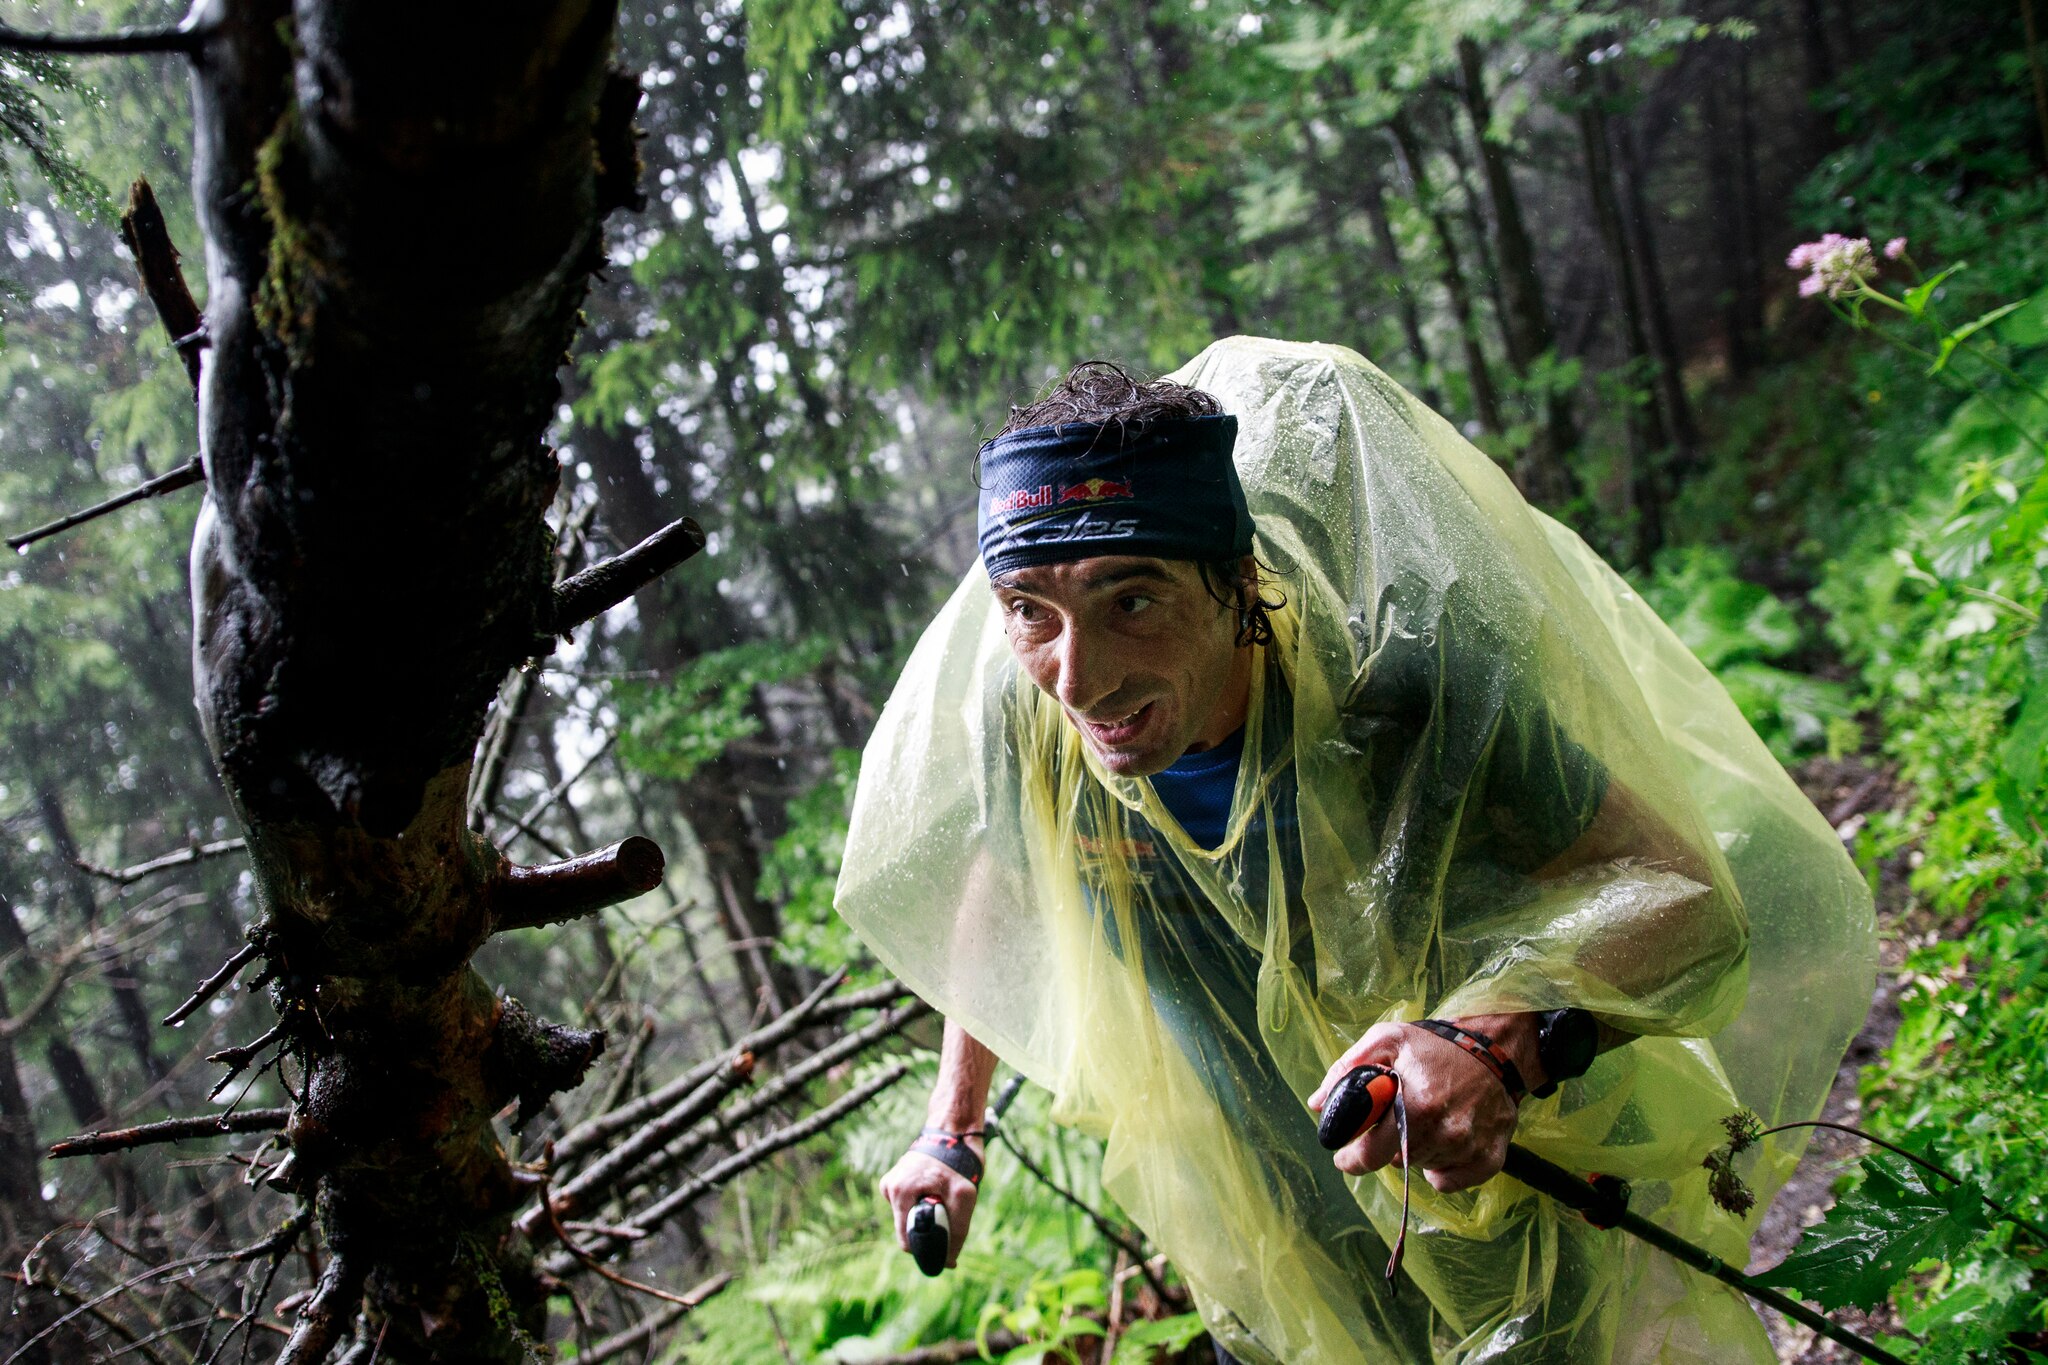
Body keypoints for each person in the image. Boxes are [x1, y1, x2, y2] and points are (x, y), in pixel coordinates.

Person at [835, 338, 1874, 1363]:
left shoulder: (1408, 703)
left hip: (1494, 1183)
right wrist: (952, 1127)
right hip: (1263, 1215)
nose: (1077, 679)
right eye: (1030, 612)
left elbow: (1684, 899)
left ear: (1236, 582)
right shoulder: (1034, 732)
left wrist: (1493, 1039)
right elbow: (1003, 880)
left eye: (1132, 599)